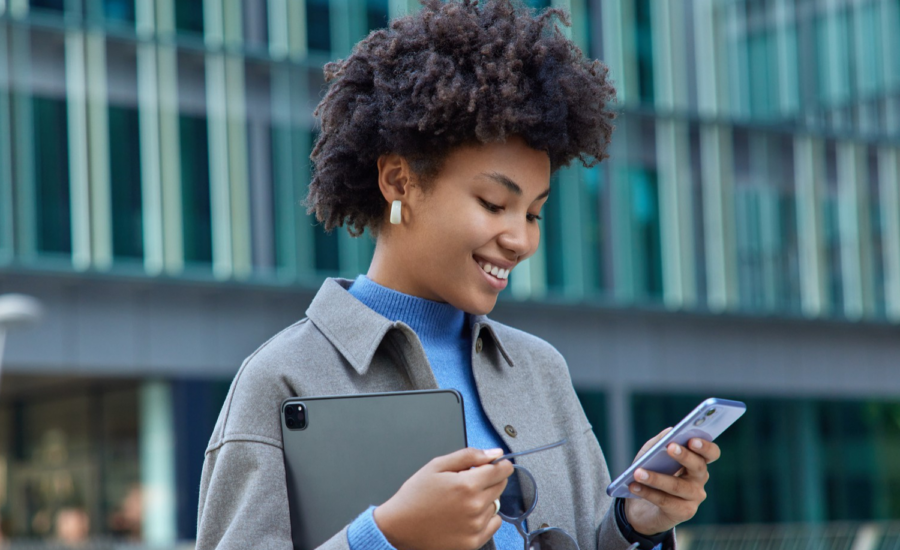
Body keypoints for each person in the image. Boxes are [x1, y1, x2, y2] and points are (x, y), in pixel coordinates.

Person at [196, 0, 721, 549]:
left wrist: (631, 524)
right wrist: (386, 536)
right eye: (495, 203)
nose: (521, 239)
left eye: (534, 212)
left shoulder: (541, 371)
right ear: (399, 181)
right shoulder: (280, 378)